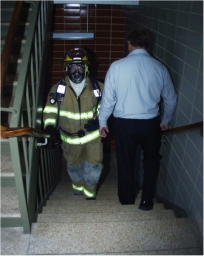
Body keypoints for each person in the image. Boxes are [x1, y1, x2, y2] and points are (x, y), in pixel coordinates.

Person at [98, 28, 177, 210]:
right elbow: (171, 99)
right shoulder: (160, 68)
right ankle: (146, 201)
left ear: (129, 44)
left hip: (124, 125)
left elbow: (108, 100)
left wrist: (103, 122)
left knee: (125, 163)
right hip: (150, 124)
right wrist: (165, 121)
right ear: (148, 46)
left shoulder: (117, 67)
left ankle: (126, 200)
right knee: (151, 162)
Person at [43, 46, 104, 200]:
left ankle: (90, 194)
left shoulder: (98, 88)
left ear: (86, 68)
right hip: (70, 140)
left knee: (93, 168)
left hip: (93, 138)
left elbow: (106, 107)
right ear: (67, 69)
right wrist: (49, 127)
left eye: (80, 67)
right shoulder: (58, 90)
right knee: (74, 168)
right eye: (73, 67)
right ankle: (78, 189)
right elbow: (50, 111)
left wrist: (100, 121)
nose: (76, 71)